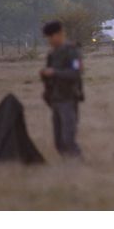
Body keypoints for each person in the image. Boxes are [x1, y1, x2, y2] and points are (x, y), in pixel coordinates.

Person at [40, 20, 84, 158]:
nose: (49, 41)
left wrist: (54, 72)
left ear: (59, 34)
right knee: (59, 142)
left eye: (50, 37)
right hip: (55, 99)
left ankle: (78, 167)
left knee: (68, 139)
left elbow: (75, 73)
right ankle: (67, 170)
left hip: (68, 98)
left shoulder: (71, 51)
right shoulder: (52, 54)